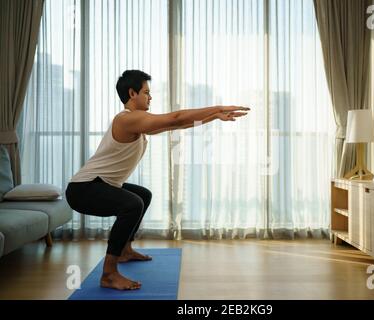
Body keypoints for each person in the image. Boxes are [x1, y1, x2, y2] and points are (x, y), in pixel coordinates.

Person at [65, 70, 250, 290]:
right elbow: (175, 118)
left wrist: (214, 117)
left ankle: (125, 250)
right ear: (132, 93)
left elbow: (177, 124)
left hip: (99, 184)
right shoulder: (127, 119)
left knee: (143, 195)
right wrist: (218, 108)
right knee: (132, 204)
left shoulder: (137, 122)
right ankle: (109, 273)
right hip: (83, 189)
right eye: (146, 92)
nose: (150, 97)